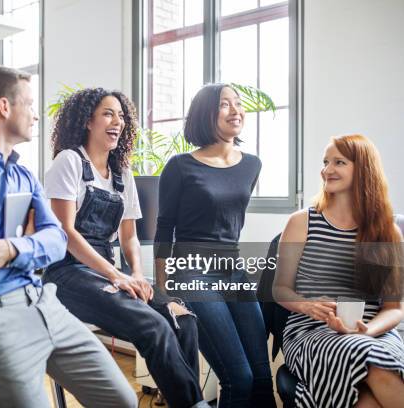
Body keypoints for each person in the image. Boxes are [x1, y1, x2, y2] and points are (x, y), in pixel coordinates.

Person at [0, 65, 136, 408]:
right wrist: (31, 247)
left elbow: (58, 240)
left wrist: (7, 249)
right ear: (5, 107)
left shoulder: (23, 175)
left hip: (42, 301)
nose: (36, 116)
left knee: (122, 399)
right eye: (30, 105)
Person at [43, 87, 208, 408]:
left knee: (183, 318)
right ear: (87, 121)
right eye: (108, 113)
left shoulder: (121, 173)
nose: (117, 120)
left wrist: (136, 275)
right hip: (67, 275)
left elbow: (128, 236)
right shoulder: (70, 162)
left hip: (109, 273)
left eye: (121, 115)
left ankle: (185, 402)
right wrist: (116, 276)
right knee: (154, 326)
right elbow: (65, 232)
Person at [154, 83, 277, 408]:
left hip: (233, 271)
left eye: (238, 104)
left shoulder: (252, 164)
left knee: (263, 379)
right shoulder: (180, 166)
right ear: (205, 114)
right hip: (192, 273)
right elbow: (164, 230)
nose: (235, 110)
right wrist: (164, 292)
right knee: (240, 378)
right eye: (225, 104)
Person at [274, 134, 404, 408]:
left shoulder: (388, 232)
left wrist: (366, 331)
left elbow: (394, 308)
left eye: (339, 162)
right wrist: (308, 306)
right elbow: (279, 289)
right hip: (312, 331)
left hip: (374, 330)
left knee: (370, 389)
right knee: (372, 362)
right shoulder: (302, 222)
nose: (327, 169)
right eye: (325, 162)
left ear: (364, 168)